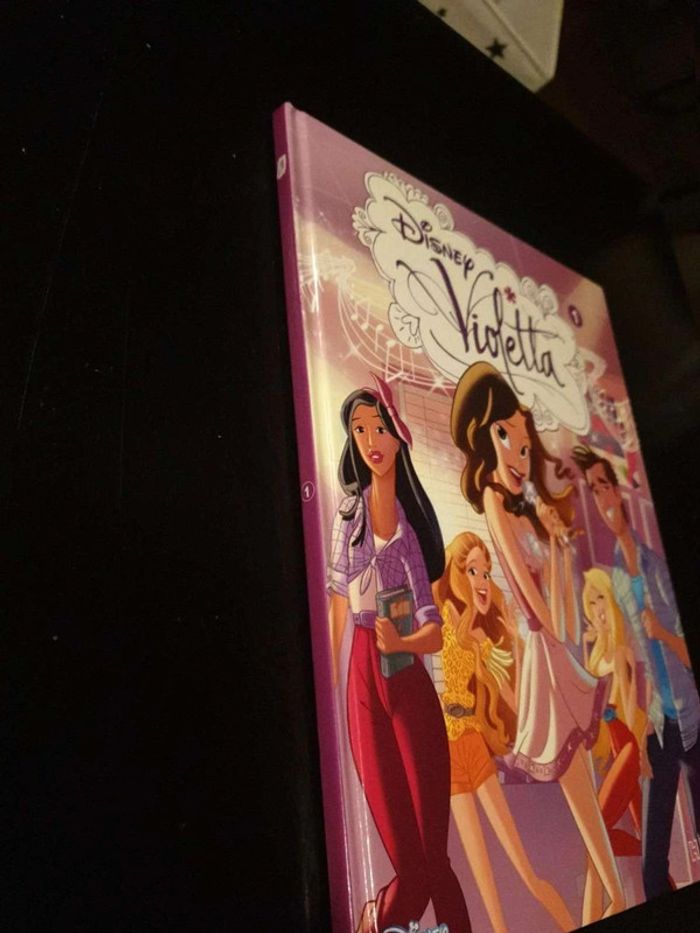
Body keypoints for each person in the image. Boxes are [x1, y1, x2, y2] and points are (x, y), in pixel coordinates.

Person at [450, 362, 625, 924]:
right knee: (579, 788)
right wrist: (565, 640)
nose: (520, 456)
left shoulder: (521, 502)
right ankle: (614, 899)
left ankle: (607, 903)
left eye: (525, 445)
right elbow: (532, 600)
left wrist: (556, 540)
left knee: (585, 791)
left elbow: (553, 582)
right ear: (485, 436)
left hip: (558, 646)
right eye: (507, 439)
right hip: (546, 656)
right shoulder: (493, 499)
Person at [327, 375, 471, 933]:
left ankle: (373, 920)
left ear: (400, 437)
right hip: (360, 682)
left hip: (408, 679)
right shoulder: (348, 517)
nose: (371, 440)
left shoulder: (410, 537)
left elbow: (434, 631)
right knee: (412, 869)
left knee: (432, 863)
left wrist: (404, 641)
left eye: (380, 427)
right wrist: (332, 688)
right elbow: (337, 605)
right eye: (360, 430)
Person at [572, 444, 700, 900]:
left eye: (605, 486)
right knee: (650, 864)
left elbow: (682, 652)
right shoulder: (618, 581)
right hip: (658, 726)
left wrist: (661, 632)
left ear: (620, 493)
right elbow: (638, 667)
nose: (602, 498)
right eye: (594, 490)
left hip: (691, 718)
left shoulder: (657, 568)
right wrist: (642, 730)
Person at [433, 531, 574, 933]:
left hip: (472, 745)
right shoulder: (440, 612)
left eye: (486, 571)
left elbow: (514, 697)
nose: (482, 580)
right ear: (456, 572)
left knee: (524, 870)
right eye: (472, 570)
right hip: (446, 754)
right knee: (485, 886)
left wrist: (514, 639)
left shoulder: (480, 637)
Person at [581, 567, 648, 914]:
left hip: (626, 744)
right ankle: (653, 860)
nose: (597, 610)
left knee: (599, 827)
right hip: (610, 749)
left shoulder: (621, 652)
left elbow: (629, 703)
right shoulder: (596, 656)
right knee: (641, 830)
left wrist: (639, 753)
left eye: (601, 600)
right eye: (591, 604)